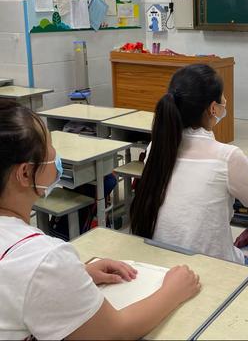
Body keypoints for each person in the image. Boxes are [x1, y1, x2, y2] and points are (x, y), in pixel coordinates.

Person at [0, 100, 200, 340]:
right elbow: (114, 331)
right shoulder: (43, 259)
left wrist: (74, 277)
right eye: (50, 146)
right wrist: (173, 291)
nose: (55, 154)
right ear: (25, 173)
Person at [130, 64, 248, 269]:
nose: (225, 102)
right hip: (213, 271)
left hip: (160, 263)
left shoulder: (157, 147)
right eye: (222, 97)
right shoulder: (227, 156)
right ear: (213, 108)